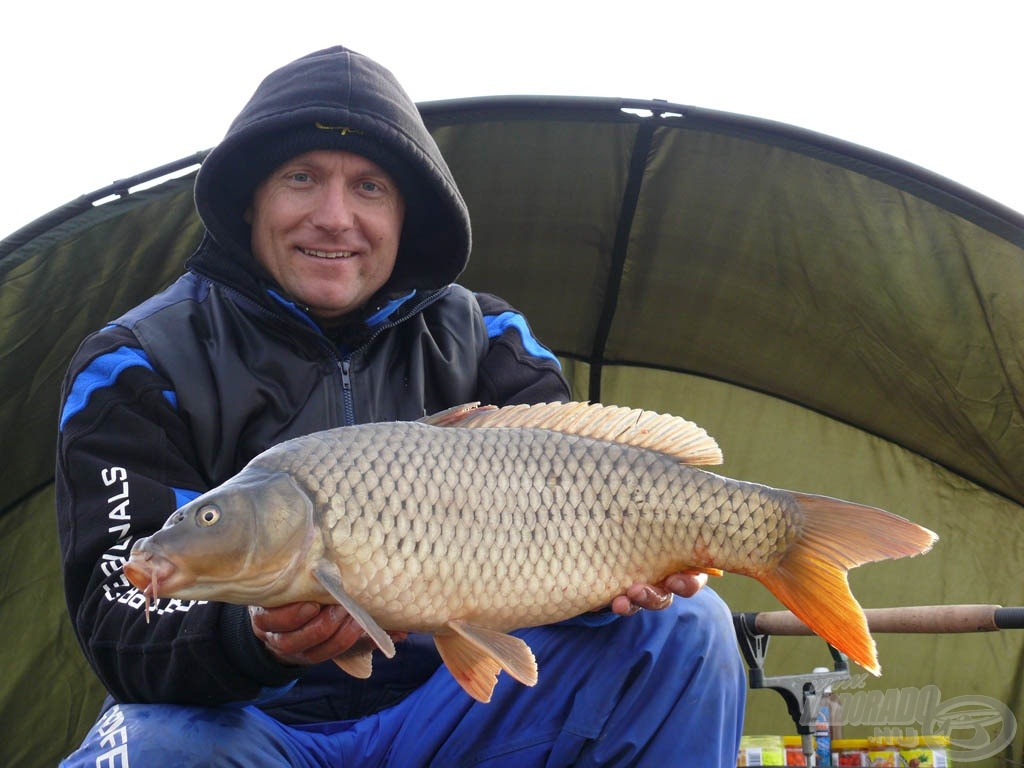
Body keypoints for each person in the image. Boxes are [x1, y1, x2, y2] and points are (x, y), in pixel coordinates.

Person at [56, 45, 746, 766]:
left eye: (370, 188)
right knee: (147, 749)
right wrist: (253, 639)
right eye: (301, 178)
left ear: (407, 213)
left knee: (688, 628)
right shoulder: (135, 360)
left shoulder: (489, 337)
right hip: (251, 728)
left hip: (459, 715)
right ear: (250, 197)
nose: (334, 217)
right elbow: (117, 617)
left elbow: (573, 521)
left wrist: (625, 577)